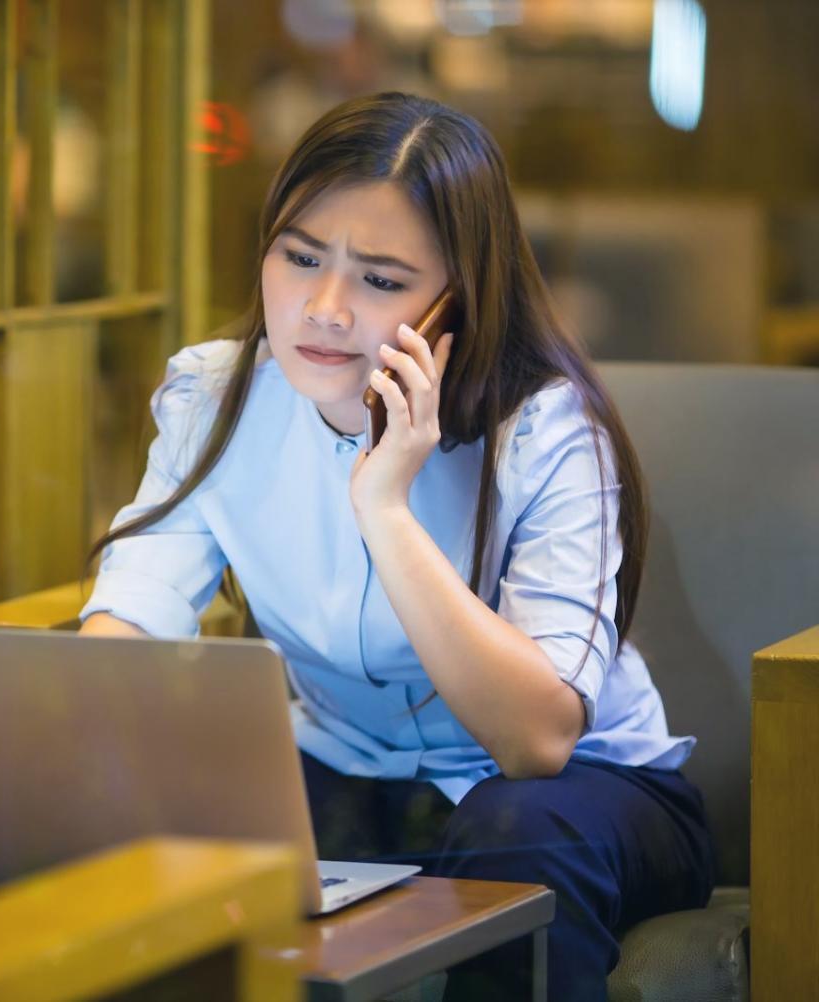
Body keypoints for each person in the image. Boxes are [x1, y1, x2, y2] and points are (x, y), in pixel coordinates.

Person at [78, 92, 714, 1002]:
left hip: (581, 796)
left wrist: (386, 508)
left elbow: (536, 738)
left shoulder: (545, 432)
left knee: (512, 832)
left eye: (380, 280)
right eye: (299, 257)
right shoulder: (214, 402)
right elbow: (130, 616)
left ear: (460, 297)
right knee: (173, 835)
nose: (325, 308)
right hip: (348, 778)